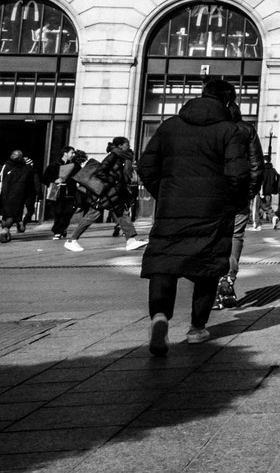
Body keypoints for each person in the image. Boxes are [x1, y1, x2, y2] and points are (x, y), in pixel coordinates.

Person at [137, 78, 253, 354]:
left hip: (172, 209)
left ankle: (160, 317)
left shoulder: (169, 126)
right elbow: (238, 174)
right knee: (207, 268)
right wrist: (233, 202)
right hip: (212, 211)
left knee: (164, 263)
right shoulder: (229, 131)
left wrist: (163, 193)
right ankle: (197, 328)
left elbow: (146, 167)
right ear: (227, 102)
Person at [216, 103, 264, 310]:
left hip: (211, 194)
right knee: (235, 235)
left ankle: (210, 283)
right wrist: (250, 191)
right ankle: (228, 278)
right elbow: (256, 165)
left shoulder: (212, 129)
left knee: (212, 235)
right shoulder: (246, 130)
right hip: (238, 193)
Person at [64, 138, 144, 252]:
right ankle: (72, 240)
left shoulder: (121, 156)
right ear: (120, 146)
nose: (129, 146)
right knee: (93, 214)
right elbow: (100, 171)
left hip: (113, 192)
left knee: (121, 213)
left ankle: (131, 240)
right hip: (105, 192)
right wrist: (114, 180)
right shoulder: (113, 156)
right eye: (127, 144)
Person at [45, 147, 86, 239]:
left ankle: (62, 229)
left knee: (68, 212)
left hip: (71, 192)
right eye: (72, 153)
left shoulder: (75, 165)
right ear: (65, 153)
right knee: (58, 212)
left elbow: (81, 176)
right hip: (57, 193)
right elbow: (45, 178)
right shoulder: (54, 165)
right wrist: (54, 180)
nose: (73, 155)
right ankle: (58, 231)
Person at [0, 149, 37, 242]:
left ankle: (5, 229)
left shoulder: (5, 166)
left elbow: (1, 179)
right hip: (18, 195)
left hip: (5, 193)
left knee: (6, 214)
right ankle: (6, 229)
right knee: (12, 214)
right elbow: (30, 184)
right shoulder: (26, 169)